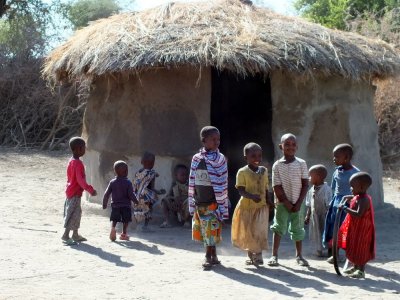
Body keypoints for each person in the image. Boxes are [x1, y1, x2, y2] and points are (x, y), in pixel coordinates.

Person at [189, 126, 229, 270]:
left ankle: (209, 256)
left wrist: (222, 200)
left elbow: (223, 182)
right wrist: (193, 197)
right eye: (213, 139)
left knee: (212, 229)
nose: (217, 142)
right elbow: (192, 180)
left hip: (214, 202)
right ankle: (212, 255)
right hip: (200, 201)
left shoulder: (221, 159)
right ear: (204, 141)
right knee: (207, 230)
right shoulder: (197, 159)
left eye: (218, 139)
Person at [267, 133, 309, 267]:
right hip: (281, 203)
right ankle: (274, 255)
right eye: (287, 144)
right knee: (278, 227)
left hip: (298, 203)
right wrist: (286, 202)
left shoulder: (302, 163)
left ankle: (299, 255)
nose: (290, 147)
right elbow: (276, 186)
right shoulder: (277, 166)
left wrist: (298, 203)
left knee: (298, 228)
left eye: (293, 144)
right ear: (281, 146)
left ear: (297, 147)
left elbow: (305, 184)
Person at [232, 143, 273, 266]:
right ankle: (250, 255)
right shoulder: (242, 172)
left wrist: (269, 201)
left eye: (259, 156)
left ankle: (258, 255)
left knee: (259, 231)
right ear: (246, 158)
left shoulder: (264, 171)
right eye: (253, 156)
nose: (257, 159)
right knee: (249, 232)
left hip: (261, 207)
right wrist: (251, 196)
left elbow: (266, 188)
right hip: (246, 208)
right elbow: (240, 190)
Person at [323, 143, 359, 263]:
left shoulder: (355, 173)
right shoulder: (336, 172)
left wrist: (352, 202)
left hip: (348, 205)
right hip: (336, 204)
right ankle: (335, 254)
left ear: (346, 157)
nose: (334, 159)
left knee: (348, 230)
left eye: (337, 157)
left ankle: (352, 256)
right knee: (334, 228)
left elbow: (359, 192)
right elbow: (334, 189)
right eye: (334, 156)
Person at [337, 172, 375, 279]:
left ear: (362, 187)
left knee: (361, 248)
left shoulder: (364, 200)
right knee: (353, 246)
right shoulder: (358, 196)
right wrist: (346, 198)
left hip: (363, 230)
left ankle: (361, 270)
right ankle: (355, 267)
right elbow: (353, 197)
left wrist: (345, 208)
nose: (350, 188)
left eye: (353, 186)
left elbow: (358, 214)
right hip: (355, 228)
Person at [62, 137, 97, 245]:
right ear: (77, 149)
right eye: (83, 148)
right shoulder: (78, 164)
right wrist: (90, 189)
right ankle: (65, 235)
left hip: (72, 192)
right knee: (72, 213)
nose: (84, 150)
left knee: (77, 213)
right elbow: (80, 180)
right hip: (74, 193)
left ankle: (75, 234)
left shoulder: (72, 161)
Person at [103, 160, 138, 241]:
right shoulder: (128, 182)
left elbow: (106, 193)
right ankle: (124, 234)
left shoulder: (112, 182)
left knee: (114, 219)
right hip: (126, 206)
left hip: (115, 205)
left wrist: (104, 203)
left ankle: (113, 228)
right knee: (126, 220)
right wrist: (136, 201)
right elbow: (131, 194)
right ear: (126, 172)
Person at [132, 151, 166, 230]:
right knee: (148, 210)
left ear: (141, 162)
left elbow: (135, 184)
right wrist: (159, 192)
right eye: (150, 162)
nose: (151, 164)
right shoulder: (152, 174)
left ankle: (136, 223)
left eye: (151, 162)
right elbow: (152, 188)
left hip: (137, 195)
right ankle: (145, 226)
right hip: (147, 197)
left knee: (138, 210)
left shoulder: (138, 172)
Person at [304, 164, 332, 257]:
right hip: (314, 216)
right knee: (315, 233)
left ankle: (329, 250)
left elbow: (329, 204)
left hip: (324, 215)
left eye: (310, 176)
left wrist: (330, 218)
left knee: (326, 232)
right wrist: (307, 215)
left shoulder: (327, 190)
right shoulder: (310, 190)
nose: (309, 178)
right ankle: (318, 249)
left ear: (318, 177)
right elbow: (309, 204)